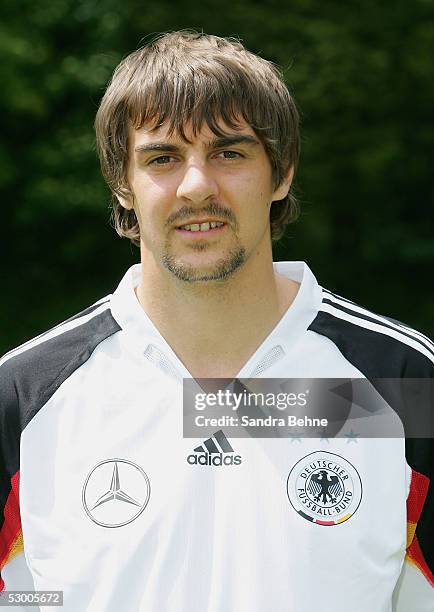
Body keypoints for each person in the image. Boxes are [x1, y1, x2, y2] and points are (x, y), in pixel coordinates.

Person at [0, 30, 432, 612]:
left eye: (229, 153)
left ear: (280, 175)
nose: (197, 186)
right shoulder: (23, 395)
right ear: (122, 184)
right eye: (162, 158)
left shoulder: (406, 382)